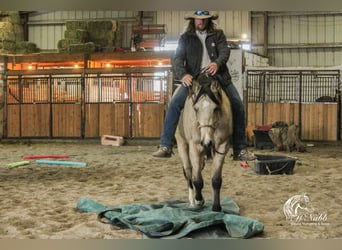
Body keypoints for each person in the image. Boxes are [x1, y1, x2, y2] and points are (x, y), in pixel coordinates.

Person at [152, 10, 255, 161]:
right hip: (194, 80)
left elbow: (224, 52)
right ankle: (166, 144)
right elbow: (178, 59)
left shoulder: (218, 35)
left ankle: (240, 149)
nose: (200, 22)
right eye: (197, 19)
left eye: (203, 19)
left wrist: (217, 63)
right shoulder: (185, 39)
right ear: (193, 20)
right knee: (174, 103)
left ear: (208, 20)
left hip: (218, 78)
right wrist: (184, 75)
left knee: (238, 104)